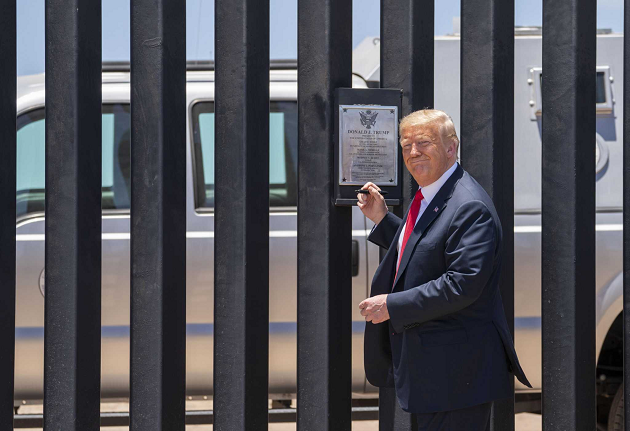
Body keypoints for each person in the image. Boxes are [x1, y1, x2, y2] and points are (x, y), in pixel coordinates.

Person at [357, 109, 531, 430]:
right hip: (438, 375)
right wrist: (383, 220)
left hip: (456, 376)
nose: (413, 152)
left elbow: (462, 283)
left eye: (424, 142)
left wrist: (392, 305)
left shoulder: (469, 205)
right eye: (406, 145)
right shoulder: (432, 193)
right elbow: (427, 247)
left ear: (452, 147)